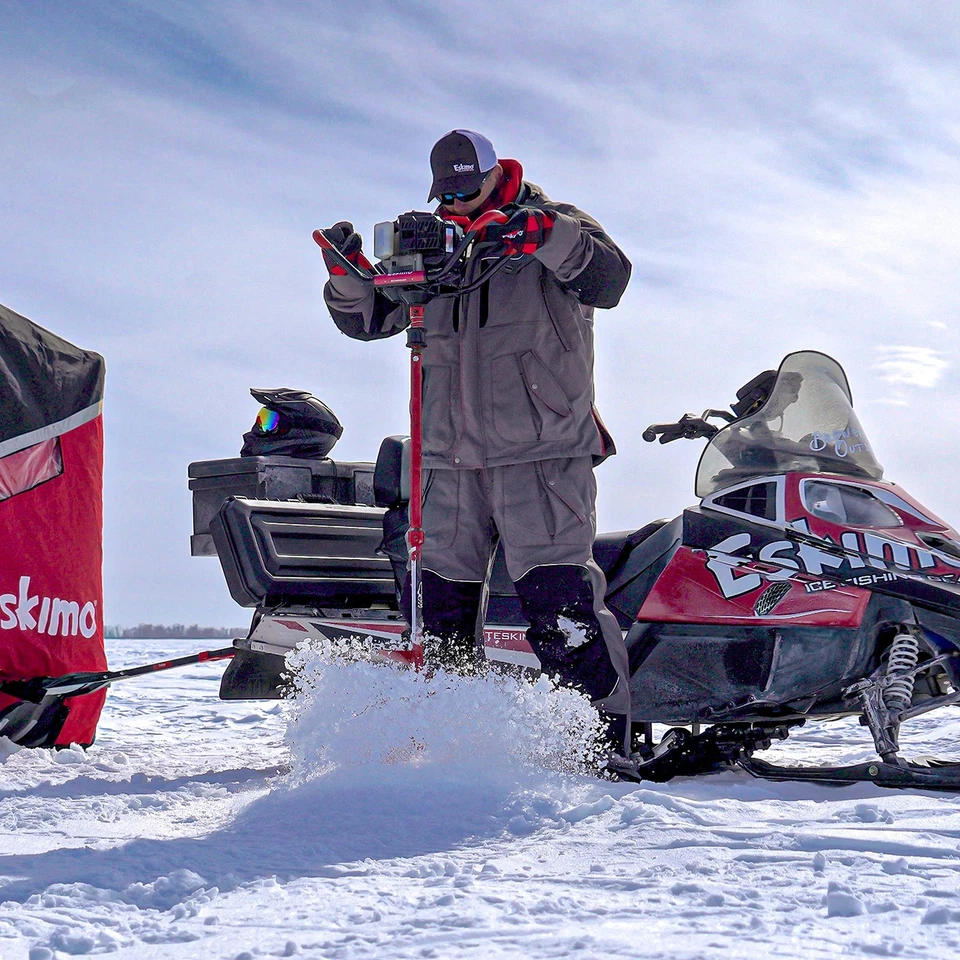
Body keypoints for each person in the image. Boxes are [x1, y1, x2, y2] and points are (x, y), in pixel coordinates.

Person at [320, 129, 633, 745]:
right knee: (439, 616)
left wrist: (541, 235)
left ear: (497, 173)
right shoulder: (431, 245)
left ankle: (603, 754)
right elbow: (368, 321)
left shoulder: (557, 222)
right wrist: (348, 277)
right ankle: (451, 748)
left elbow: (610, 280)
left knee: (560, 610)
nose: (455, 203)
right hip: (448, 464)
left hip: (540, 456)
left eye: (467, 189)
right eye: (447, 192)